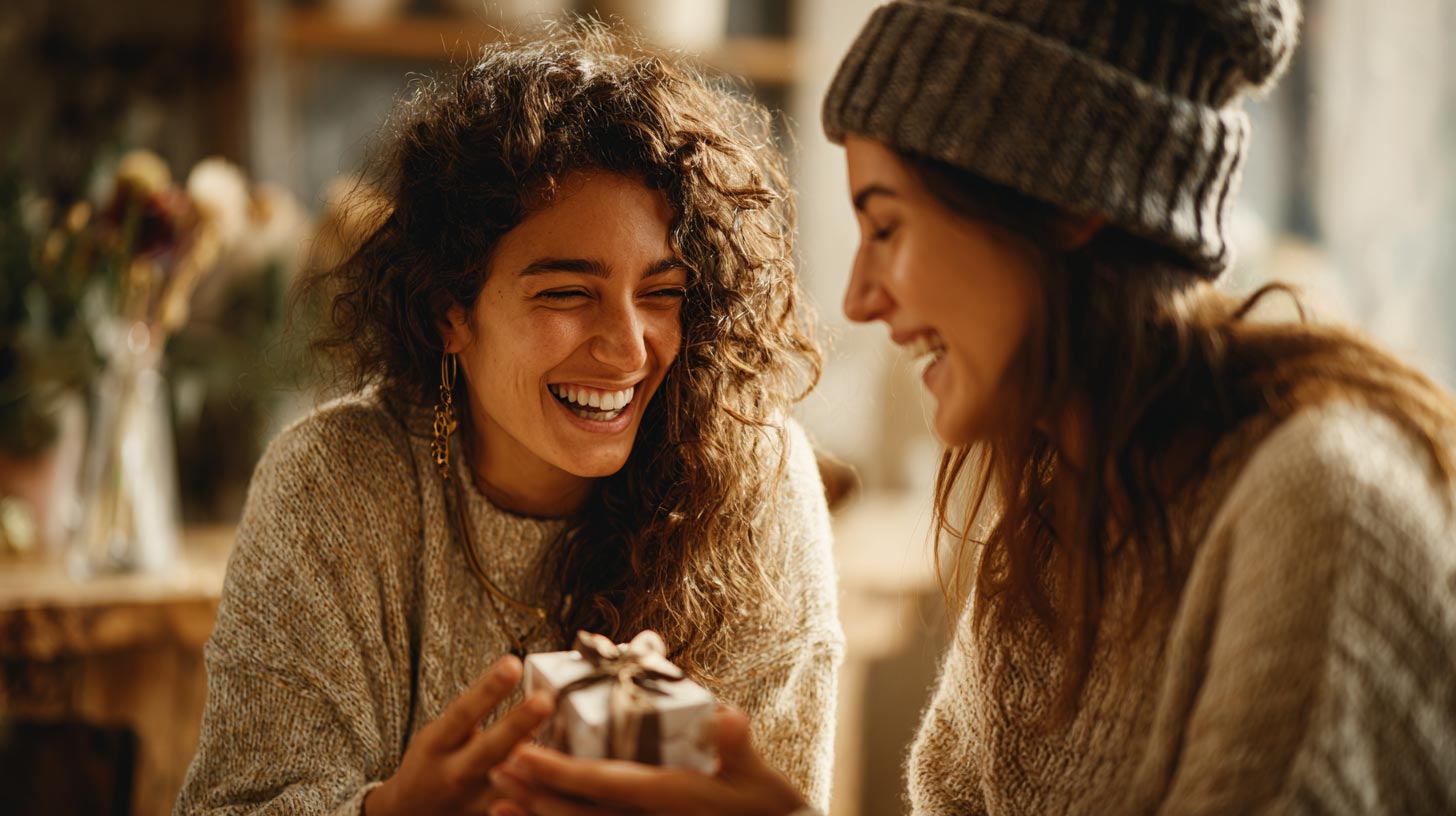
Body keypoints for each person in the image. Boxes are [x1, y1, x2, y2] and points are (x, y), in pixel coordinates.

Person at [487, 1, 1456, 813]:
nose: (862, 295)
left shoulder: (1318, 502)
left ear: (1069, 199)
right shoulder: (1052, 515)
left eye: (887, 225)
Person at [175, 25, 844, 816]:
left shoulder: (754, 483)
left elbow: (780, 797)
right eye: (567, 292)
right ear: (449, 312)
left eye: (662, 291)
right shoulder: (334, 486)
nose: (629, 348)